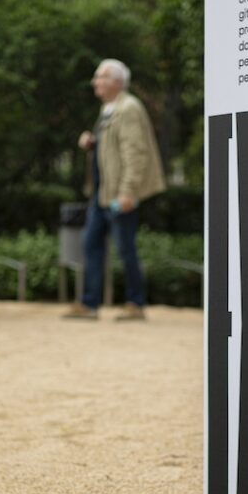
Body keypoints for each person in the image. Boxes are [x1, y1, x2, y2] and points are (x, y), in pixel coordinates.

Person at [64, 59, 165, 320]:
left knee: (124, 248)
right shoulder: (108, 109)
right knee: (91, 243)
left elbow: (136, 152)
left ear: (117, 82)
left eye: (101, 77)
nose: (95, 82)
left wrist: (128, 192)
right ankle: (89, 304)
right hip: (102, 193)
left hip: (119, 193)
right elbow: (112, 149)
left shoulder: (128, 108)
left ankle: (135, 303)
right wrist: (91, 143)